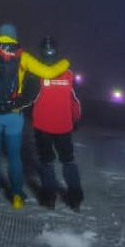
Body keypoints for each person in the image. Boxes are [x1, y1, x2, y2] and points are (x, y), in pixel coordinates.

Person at [0, 23, 69, 209]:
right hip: (14, 115)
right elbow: (48, 72)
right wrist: (65, 62)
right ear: (14, 37)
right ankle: (17, 196)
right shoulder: (21, 55)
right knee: (14, 156)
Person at [29, 36, 84, 210]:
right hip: (63, 126)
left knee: (47, 162)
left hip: (42, 125)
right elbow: (75, 101)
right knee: (68, 161)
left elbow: (31, 99)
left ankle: (49, 197)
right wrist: (75, 119)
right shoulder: (68, 74)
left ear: (41, 52)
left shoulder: (37, 73)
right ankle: (75, 198)